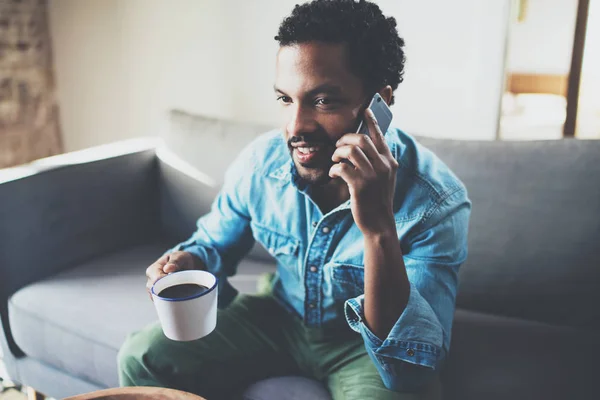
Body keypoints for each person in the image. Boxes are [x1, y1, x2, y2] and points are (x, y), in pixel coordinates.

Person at [118, 1, 470, 399]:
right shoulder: (261, 162)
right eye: (286, 99)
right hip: (281, 316)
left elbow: (407, 369)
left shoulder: (437, 201)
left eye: (324, 101)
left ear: (380, 103)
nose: (296, 127)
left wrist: (378, 230)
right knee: (140, 356)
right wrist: (190, 261)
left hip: (362, 346)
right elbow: (214, 243)